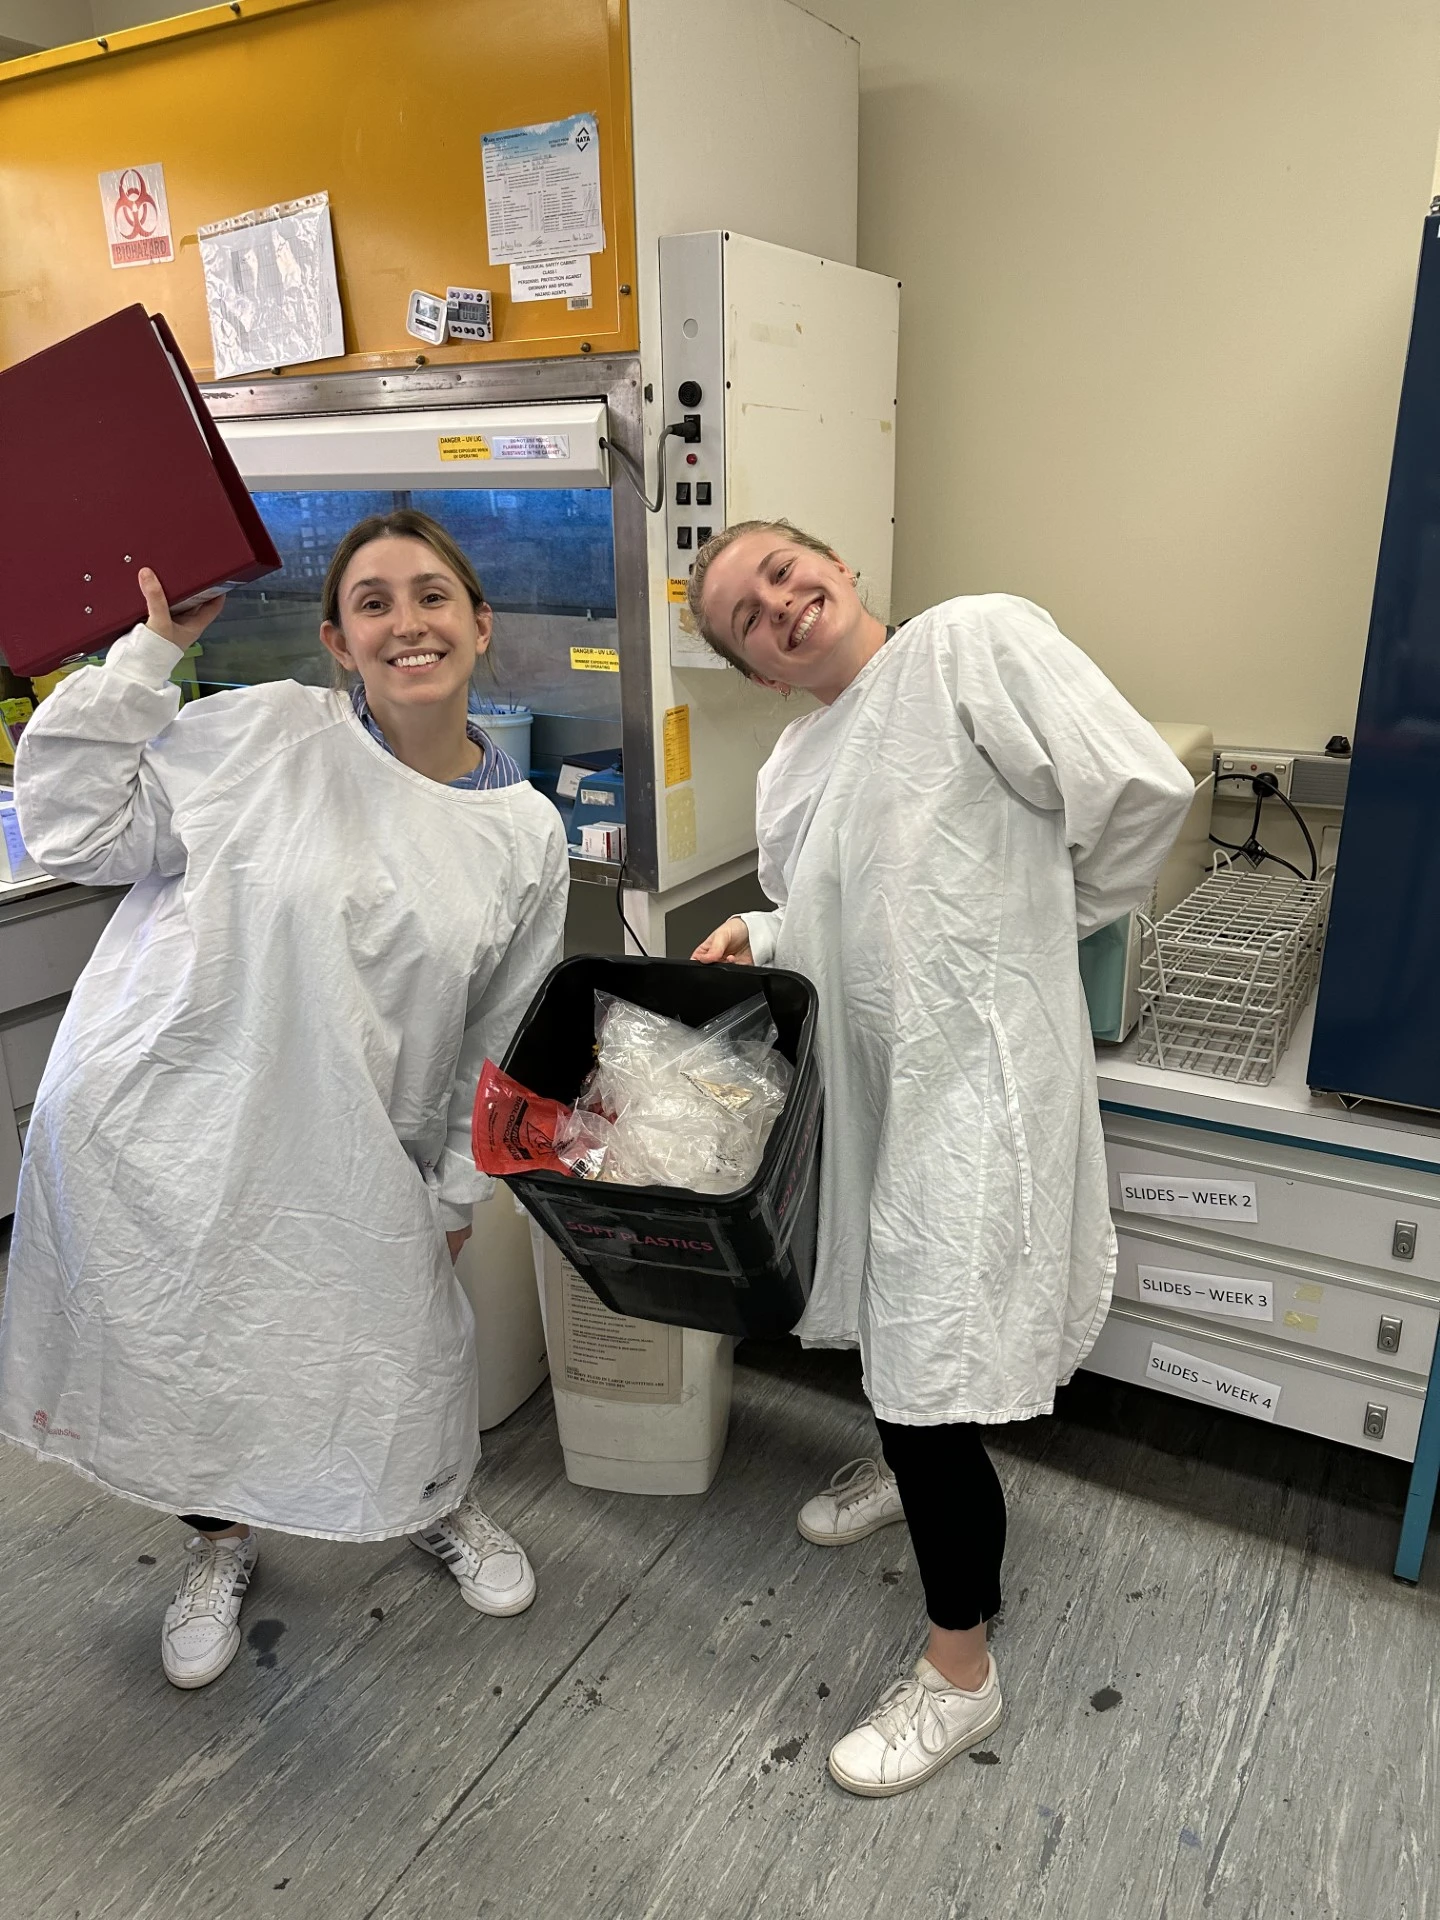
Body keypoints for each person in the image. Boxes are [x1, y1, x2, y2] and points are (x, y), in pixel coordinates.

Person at [0, 509, 568, 1689]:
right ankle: (220, 1544)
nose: (406, 622)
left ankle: (430, 1501)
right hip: (176, 1125)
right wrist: (144, 660)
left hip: (362, 1148)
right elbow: (75, 827)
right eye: (373, 603)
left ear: (479, 624)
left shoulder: (525, 831)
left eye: (430, 596)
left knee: (402, 1347)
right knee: (199, 1352)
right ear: (336, 641)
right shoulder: (258, 737)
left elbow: (505, 1031)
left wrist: (462, 1182)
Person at [689, 520, 1194, 1798]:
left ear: (842, 566)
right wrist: (761, 925)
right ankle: (908, 1466)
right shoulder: (794, 764)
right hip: (872, 1079)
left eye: (789, 572)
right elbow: (835, 905)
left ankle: (959, 1673)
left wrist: (1035, 915)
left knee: (927, 1362)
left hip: (979, 1077)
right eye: (748, 613)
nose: (782, 604)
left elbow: (1136, 797)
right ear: (752, 668)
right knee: (889, 1306)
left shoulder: (970, 644)